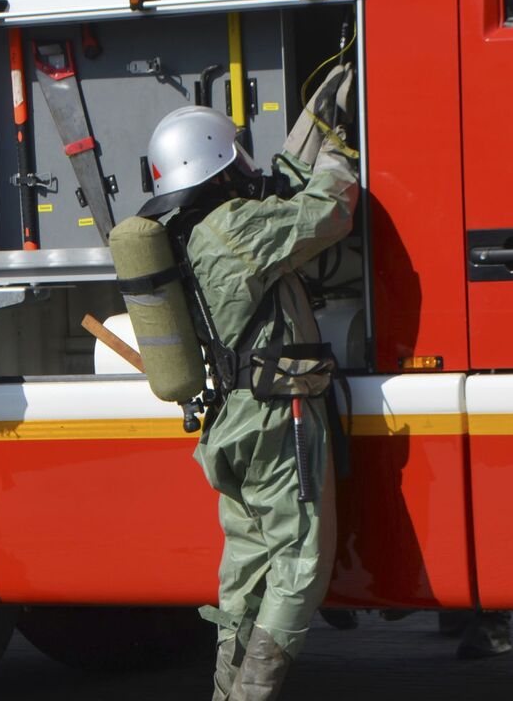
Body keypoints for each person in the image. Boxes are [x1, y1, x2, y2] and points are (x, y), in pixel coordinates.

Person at [139, 66, 359, 701]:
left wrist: (308, 135)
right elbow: (328, 212)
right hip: (274, 418)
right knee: (298, 562)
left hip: (233, 418)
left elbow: (277, 197)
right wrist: (338, 152)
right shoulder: (235, 226)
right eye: (234, 154)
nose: (245, 165)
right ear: (216, 164)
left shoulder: (190, 233)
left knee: (246, 569)